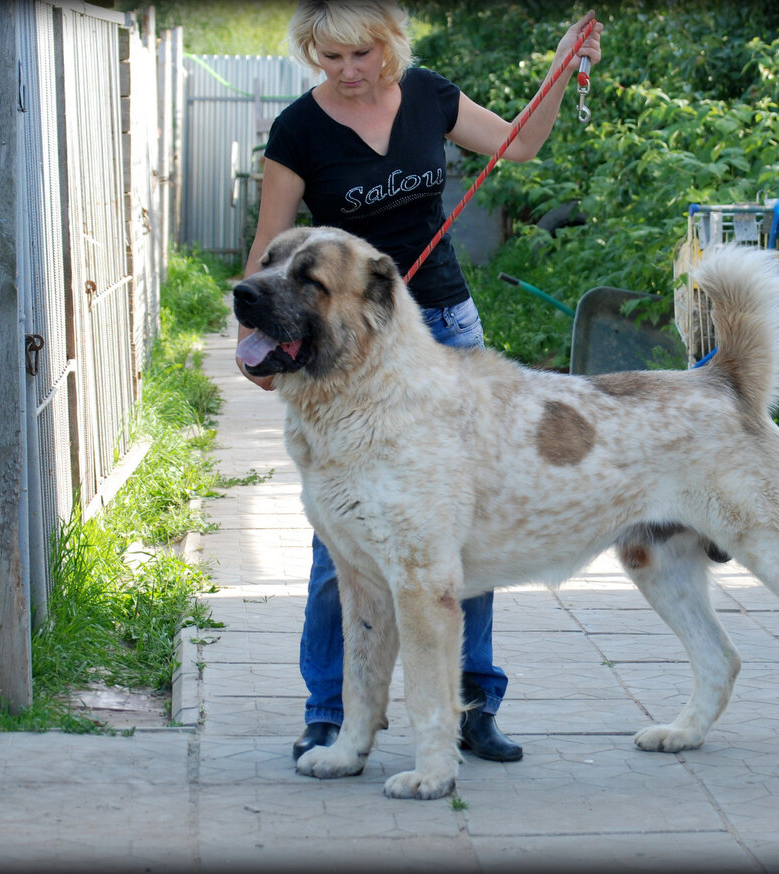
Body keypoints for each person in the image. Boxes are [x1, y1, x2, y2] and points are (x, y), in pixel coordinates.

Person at [235, 0, 603, 764]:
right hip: (351, 344)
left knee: (465, 531)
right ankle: (332, 712)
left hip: (443, 330)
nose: (346, 72)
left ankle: (472, 707)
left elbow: (522, 143)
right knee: (342, 540)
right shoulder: (299, 130)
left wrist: (562, 68)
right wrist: (260, 339)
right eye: (329, 58)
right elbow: (271, 250)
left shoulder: (430, 95)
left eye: (360, 55)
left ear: (389, 45)